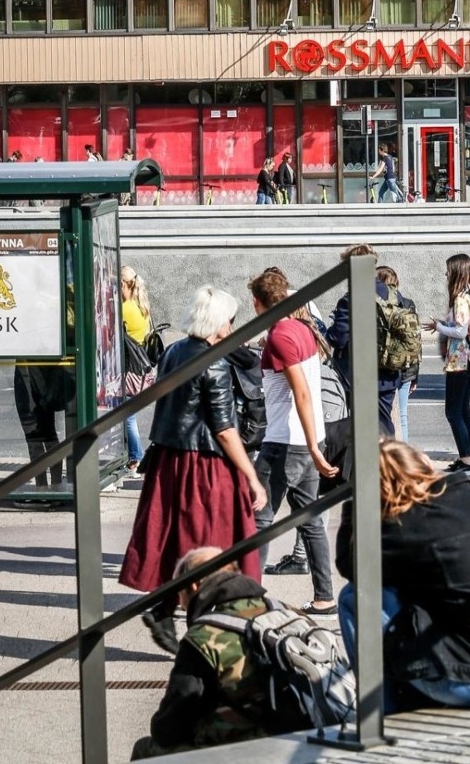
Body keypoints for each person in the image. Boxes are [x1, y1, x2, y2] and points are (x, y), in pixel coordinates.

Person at [335, 440, 470, 711]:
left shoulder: (402, 526)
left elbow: (349, 567)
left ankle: (381, 716)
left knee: (355, 597)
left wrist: (356, 503)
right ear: (426, 464)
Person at [120, 286, 266, 655]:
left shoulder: (174, 351)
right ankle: (204, 629)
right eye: (231, 320)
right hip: (204, 465)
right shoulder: (214, 362)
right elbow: (224, 429)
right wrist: (251, 476)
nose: (233, 327)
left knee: (179, 541)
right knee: (212, 546)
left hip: (171, 459)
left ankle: (166, 609)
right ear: (219, 323)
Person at [248, 269, 338, 616]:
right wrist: (315, 441)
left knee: (258, 517)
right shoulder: (301, 329)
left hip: (285, 442)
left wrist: (314, 448)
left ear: (258, 303)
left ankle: (251, 600)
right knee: (311, 520)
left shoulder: (281, 335)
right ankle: (324, 596)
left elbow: (300, 391)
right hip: (305, 438)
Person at [131, 548, 277, 758]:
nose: (181, 604)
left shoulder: (205, 636)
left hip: (262, 744)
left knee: (147, 748)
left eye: (180, 594)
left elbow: (170, 727)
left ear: (193, 585)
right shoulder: (280, 610)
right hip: (312, 728)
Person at [326, 244, 408, 435]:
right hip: (389, 369)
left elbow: (338, 337)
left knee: (362, 426)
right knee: (384, 421)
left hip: (361, 374)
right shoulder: (394, 294)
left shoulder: (351, 297)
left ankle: (374, 462)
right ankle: (389, 460)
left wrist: (325, 333)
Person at [422, 253, 470, 475]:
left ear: (456, 271)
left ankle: (467, 462)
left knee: (453, 412)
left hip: (459, 360)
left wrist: (439, 327)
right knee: (464, 410)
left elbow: (460, 331)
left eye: (449, 270)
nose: (446, 274)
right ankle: (469, 457)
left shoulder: (461, 299)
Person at [376, 265, 418, 443]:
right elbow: (414, 341)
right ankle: (404, 456)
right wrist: (415, 376)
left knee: (384, 416)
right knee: (402, 415)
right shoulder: (407, 304)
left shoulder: (376, 305)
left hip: (384, 368)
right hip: (406, 368)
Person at [121, 265, 153, 476]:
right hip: (141, 369)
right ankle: (134, 457)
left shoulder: (125, 309)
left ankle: (136, 458)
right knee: (127, 415)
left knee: (127, 417)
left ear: (126, 284)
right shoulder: (143, 307)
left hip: (128, 370)